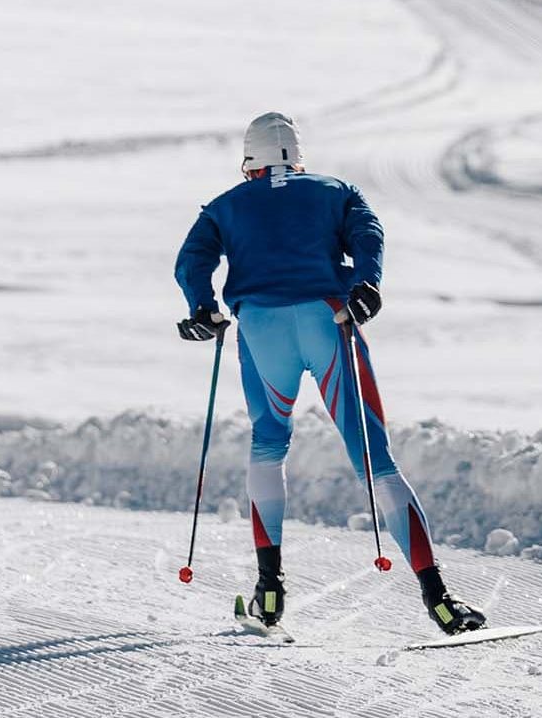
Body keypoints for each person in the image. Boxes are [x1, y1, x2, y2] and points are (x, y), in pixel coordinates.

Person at [172, 112, 485, 636]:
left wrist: (202, 308)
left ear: (249, 162)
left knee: (268, 445)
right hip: (327, 319)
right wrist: (367, 284)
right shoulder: (336, 190)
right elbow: (369, 234)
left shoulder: (225, 205)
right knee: (376, 462)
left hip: (261, 328)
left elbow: (192, 259)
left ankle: (268, 591)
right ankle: (440, 600)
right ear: (298, 158)